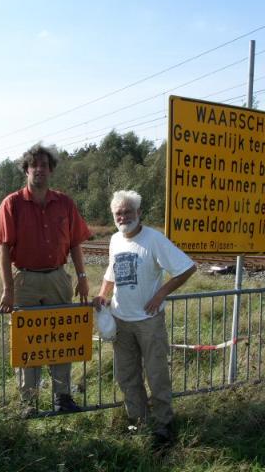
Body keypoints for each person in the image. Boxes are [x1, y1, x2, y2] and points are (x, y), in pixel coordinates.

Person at [92, 190, 196, 444]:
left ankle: (163, 426)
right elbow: (112, 270)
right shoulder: (115, 240)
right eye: (118, 213)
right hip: (121, 321)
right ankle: (137, 424)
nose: (123, 217)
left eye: (128, 212)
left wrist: (161, 293)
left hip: (149, 322)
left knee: (156, 373)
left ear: (139, 212)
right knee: (127, 376)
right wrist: (103, 294)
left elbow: (187, 267)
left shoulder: (154, 240)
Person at [0, 143, 91, 415]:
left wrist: (82, 277)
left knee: (62, 338)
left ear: (51, 171)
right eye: (34, 165)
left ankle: (62, 397)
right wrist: (8, 288)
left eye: (44, 165)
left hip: (58, 278)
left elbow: (75, 243)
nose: (39, 169)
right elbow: (3, 247)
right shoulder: (12, 204)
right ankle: (29, 402)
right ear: (26, 170)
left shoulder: (64, 203)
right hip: (25, 280)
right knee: (28, 341)